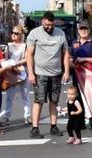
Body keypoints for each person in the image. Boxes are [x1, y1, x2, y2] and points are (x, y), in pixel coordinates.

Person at [26, 11, 71, 139]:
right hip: (40, 73)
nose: (49, 27)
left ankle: (53, 126)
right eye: (46, 24)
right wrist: (31, 73)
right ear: (42, 22)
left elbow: (65, 53)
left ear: (54, 23)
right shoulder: (34, 33)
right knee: (39, 101)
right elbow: (29, 54)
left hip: (56, 73)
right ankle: (35, 128)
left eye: (51, 25)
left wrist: (66, 71)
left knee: (54, 101)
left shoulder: (60, 34)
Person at [70, 21, 92, 131]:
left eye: (85, 29)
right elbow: (70, 58)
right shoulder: (74, 42)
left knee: (90, 97)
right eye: (81, 29)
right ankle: (80, 121)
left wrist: (84, 59)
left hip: (89, 75)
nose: (83, 31)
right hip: (76, 75)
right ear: (78, 31)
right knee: (77, 98)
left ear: (89, 30)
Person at [3, 25, 33, 126]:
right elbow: (6, 58)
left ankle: (27, 116)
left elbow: (27, 58)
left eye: (16, 33)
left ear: (21, 35)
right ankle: (6, 117)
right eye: (12, 32)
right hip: (11, 72)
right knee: (9, 96)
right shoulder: (8, 45)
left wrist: (16, 63)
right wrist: (8, 64)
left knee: (25, 95)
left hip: (23, 71)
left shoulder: (25, 45)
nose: (13, 35)